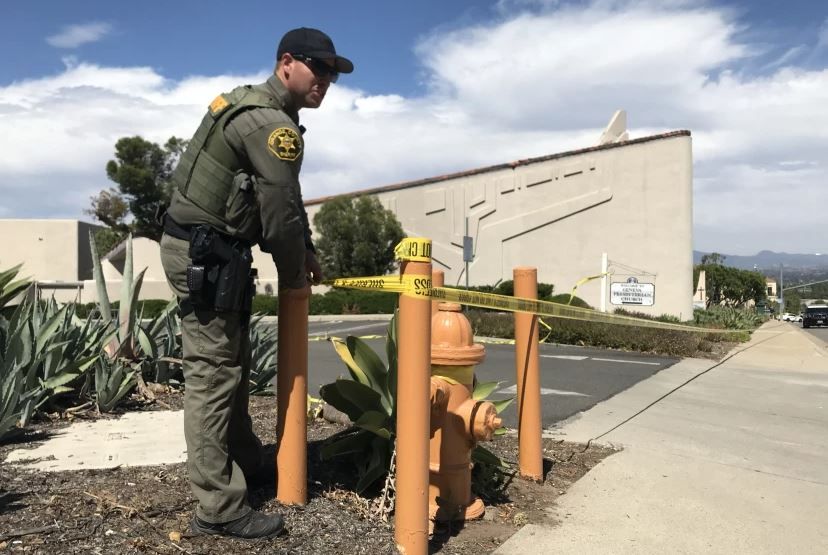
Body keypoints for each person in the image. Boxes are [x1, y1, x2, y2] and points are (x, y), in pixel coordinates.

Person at [158, 27, 353, 540]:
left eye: (332, 73)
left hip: (212, 250)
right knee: (213, 374)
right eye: (320, 67)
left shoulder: (257, 109)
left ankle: (244, 460)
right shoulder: (271, 125)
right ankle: (218, 507)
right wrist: (295, 280)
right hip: (206, 253)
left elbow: (287, 198)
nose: (327, 80)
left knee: (232, 365)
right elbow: (281, 217)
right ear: (287, 62)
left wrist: (304, 249)